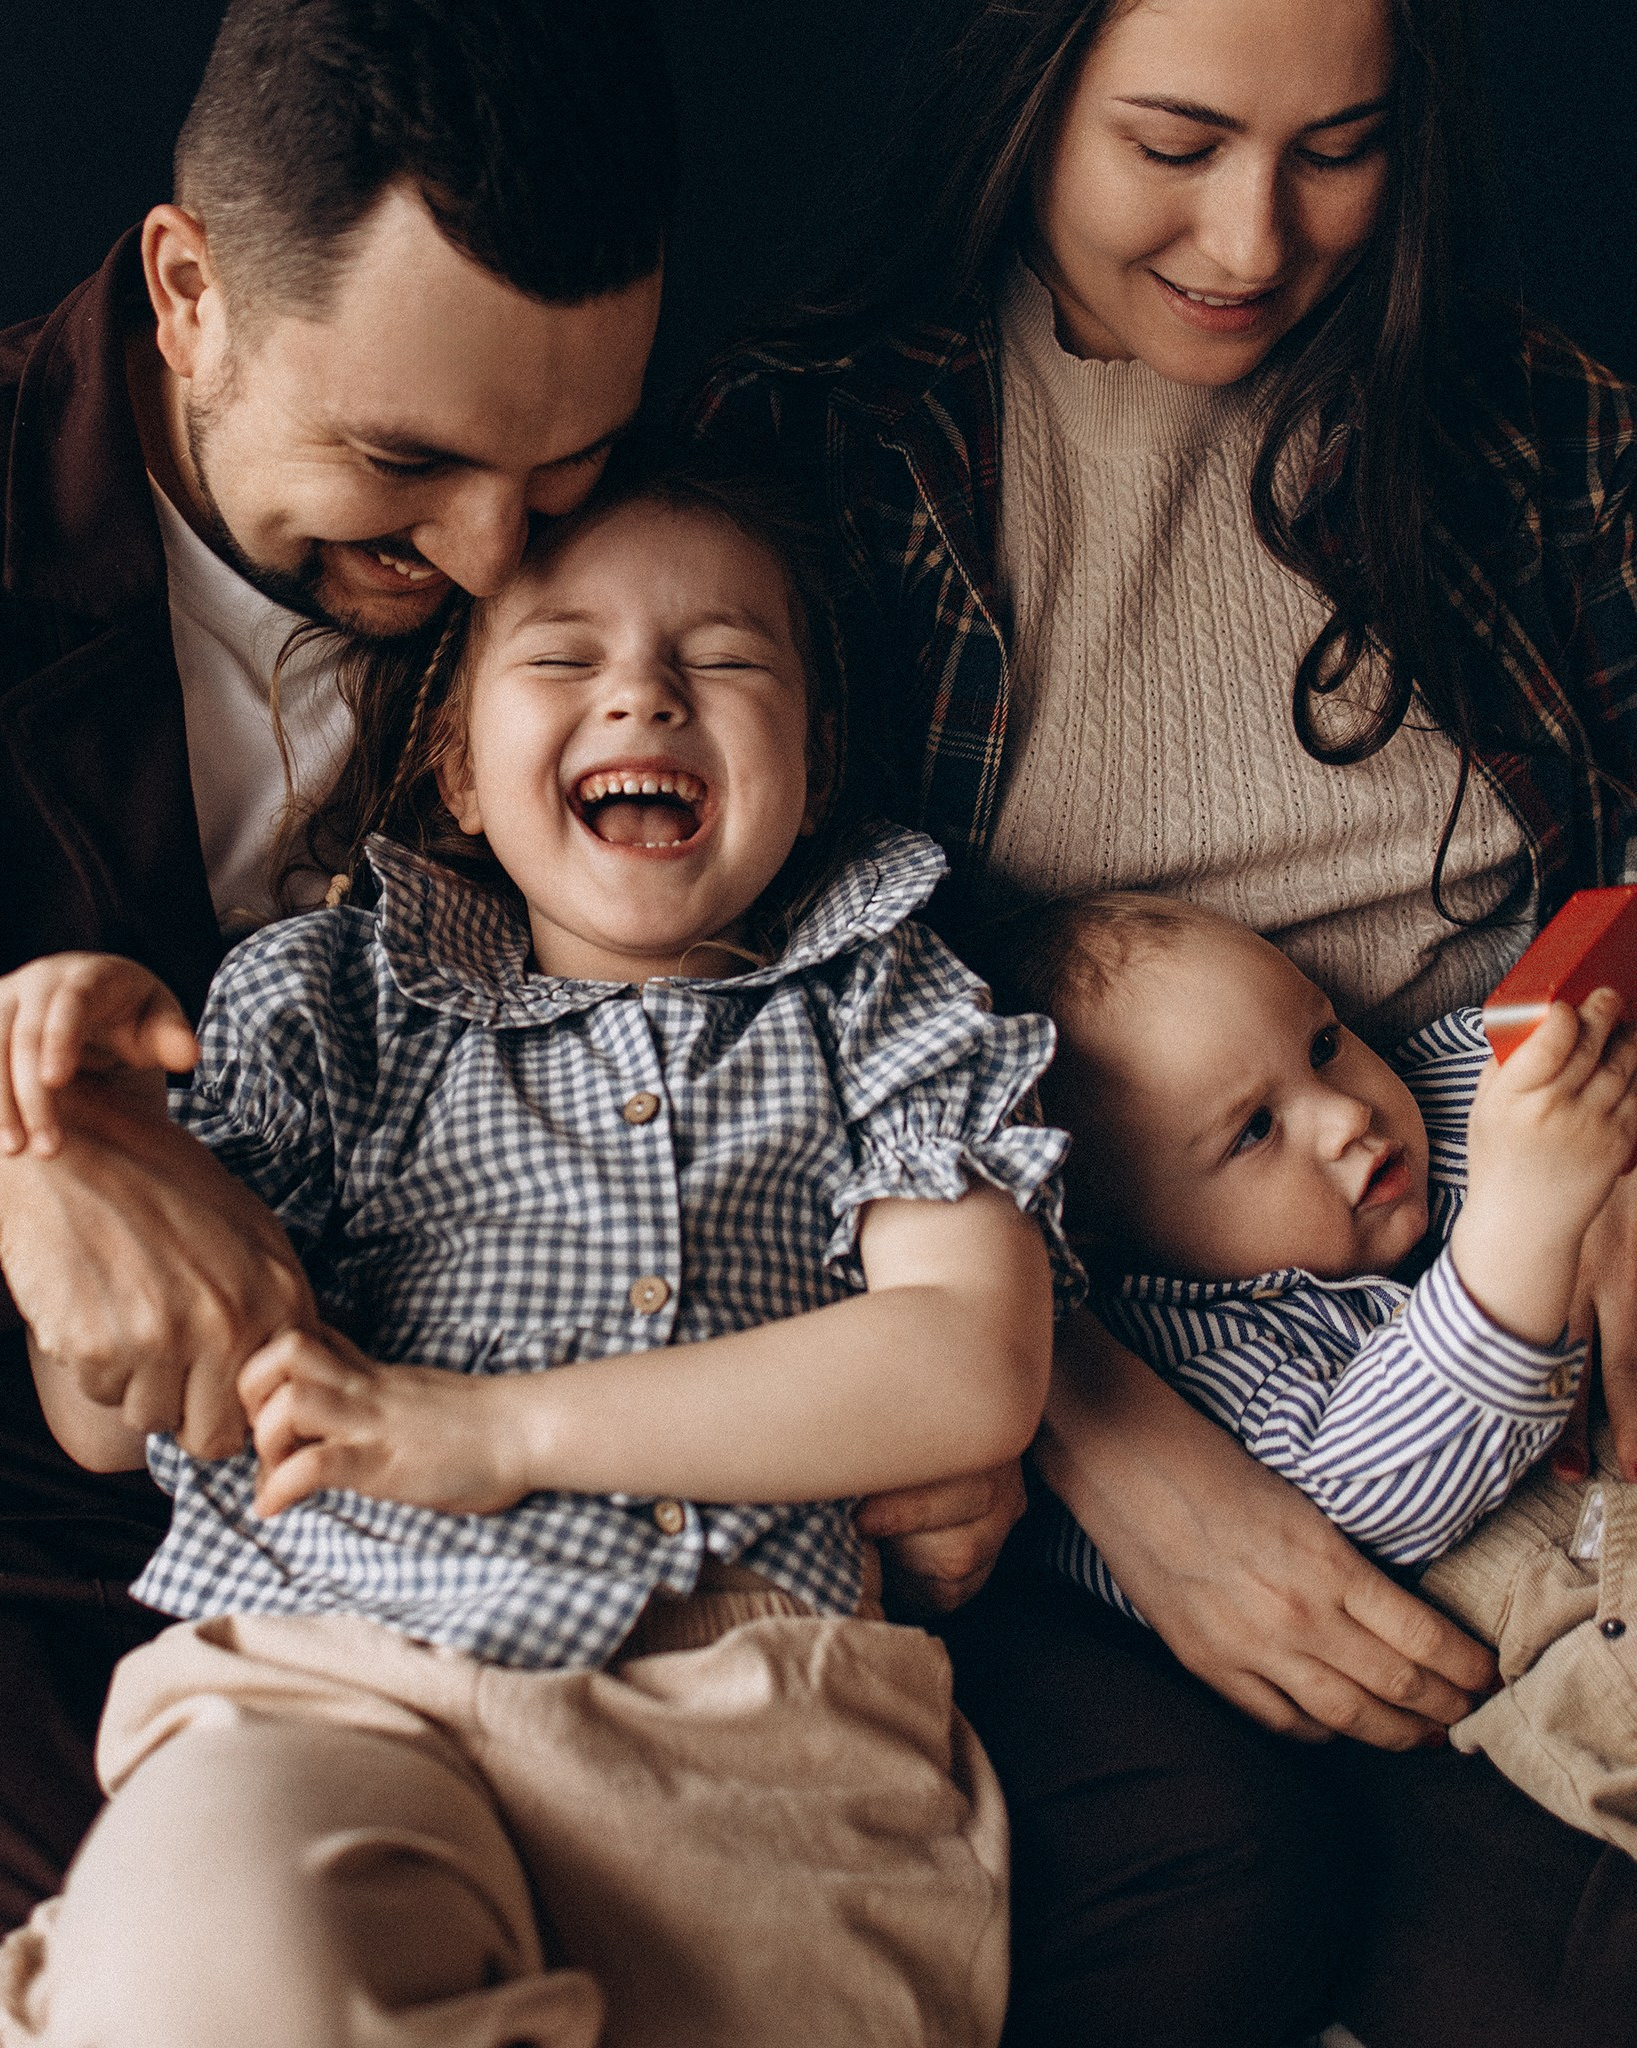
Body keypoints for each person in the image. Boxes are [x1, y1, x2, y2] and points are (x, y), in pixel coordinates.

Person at [0, 0, 1010, 1934]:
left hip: (686, 1529)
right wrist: (25, 1128)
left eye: (567, 466)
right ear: (187, 289)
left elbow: (862, 1073)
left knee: (1190, 1855)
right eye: (406, 460)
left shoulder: (620, 543)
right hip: (147, 1528)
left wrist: (1011, 1425)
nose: (486, 556)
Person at [686, 0, 1637, 2040]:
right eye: (1172, 141)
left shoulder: (1527, 428)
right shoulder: (829, 463)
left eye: (1335, 149)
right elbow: (747, 1043)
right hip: (1125, 1365)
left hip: (1540, 1211)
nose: (1250, 237)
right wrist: (1102, 1438)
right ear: (1023, 97)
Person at [0, 464, 1069, 2045]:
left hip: (753, 1726)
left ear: (814, 756)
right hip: (338, 1668)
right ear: (453, 765)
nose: (641, 691)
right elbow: (114, 1420)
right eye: (562, 656)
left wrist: (499, 1432)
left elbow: (968, 1362)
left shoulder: (886, 1002)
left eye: (722, 660)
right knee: (204, 1978)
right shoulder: (323, 999)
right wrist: (95, 1149)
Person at [991, 886, 1637, 1858]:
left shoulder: (1443, 1081)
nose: (1343, 1115)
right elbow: (1353, 1515)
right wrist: (1520, 1229)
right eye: (1252, 1130)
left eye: (1323, 1042)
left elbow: (1576, 1020)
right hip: (1579, 1617)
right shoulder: (1180, 1350)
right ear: (1103, 1237)